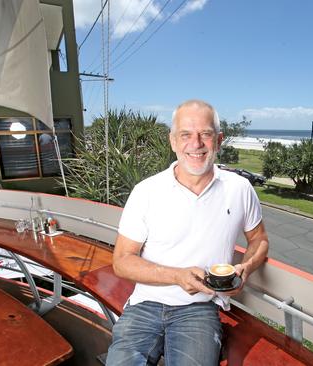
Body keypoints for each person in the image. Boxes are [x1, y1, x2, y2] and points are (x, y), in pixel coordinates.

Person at [106, 100, 269, 365]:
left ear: (218, 140)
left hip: (200, 309)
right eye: (186, 135)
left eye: (205, 134)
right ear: (173, 141)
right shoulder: (147, 191)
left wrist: (246, 268)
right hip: (145, 304)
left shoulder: (239, 189)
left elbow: (259, 238)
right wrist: (176, 276)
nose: (196, 143)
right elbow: (122, 261)